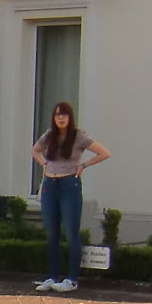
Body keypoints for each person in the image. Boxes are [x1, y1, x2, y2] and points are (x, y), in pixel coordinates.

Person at [31, 101, 111, 293]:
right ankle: (52, 277)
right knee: (52, 233)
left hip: (69, 185)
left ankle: (72, 279)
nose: (60, 118)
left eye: (64, 115)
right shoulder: (49, 135)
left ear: (70, 117)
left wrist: (83, 166)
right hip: (50, 185)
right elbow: (35, 150)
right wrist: (44, 164)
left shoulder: (78, 136)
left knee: (71, 232)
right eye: (57, 115)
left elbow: (104, 153)